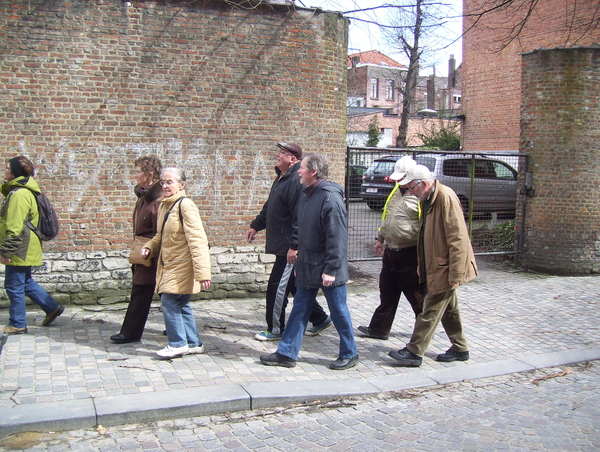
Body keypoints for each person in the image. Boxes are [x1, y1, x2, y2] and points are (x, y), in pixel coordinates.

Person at [260, 154, 359, 370]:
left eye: (302, 168)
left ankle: (350, 353)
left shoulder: (330, 198)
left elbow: (337, 238)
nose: (298, 171)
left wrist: (331, 269)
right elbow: (300, 229)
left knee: (338, 311)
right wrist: (298, 260)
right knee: (300, 308)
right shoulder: (306, 195)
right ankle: (286, 353)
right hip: (307, 265)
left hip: (327, 269)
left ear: (313, 172)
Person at [388, 164, 477, 367]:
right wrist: (422, 264)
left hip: (446, 267)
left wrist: (455, 272)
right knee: (449, 309)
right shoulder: (427, 198)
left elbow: (458, 238)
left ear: (424, 184)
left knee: (430, 309)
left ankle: (414, 351)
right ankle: (460, 347)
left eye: (412, 187)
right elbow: (425, 235)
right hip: (436, 264)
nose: (409, 192)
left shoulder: (445, 197)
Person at [246, 142, 331, 342]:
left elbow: (298, 216)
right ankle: (320, 318)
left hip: (288, 248)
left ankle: (275, 329)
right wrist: (255, 225)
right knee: (292, 284)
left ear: (292, 158)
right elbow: (271, 206)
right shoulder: (282, 178)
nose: (277, 155)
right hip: (282, 244)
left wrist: (294, 245)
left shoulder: (294, 180)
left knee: (276, 288)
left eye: (282, 153)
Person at [141, 168, 212, 359]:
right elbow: (161, 235)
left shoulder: (185, 205)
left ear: (182, 185)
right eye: (163, 182)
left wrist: (203, 272)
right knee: (181, 304)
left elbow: (198, 240)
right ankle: (194, 343)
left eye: (169, 182)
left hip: (182, 265)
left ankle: (177, 343)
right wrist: (150, 247)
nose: (165, 186)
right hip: (169, 264)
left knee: (169, 302)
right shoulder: (165, 205)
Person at [358, 156, 426, 341]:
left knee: (417, 297)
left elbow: (426, 228)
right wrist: (380, 238)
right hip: (391, 252)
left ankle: (424, 331)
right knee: (387, 292)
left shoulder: (421, 195)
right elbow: (387, 216)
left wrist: (422, 258)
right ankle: (379, 328)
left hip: (410, 253)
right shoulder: (396, 190)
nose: (399, 181)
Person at [1, 156, 64, 334]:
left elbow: (14, 225)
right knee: (25, 281)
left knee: (13, 285)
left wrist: (6, 250)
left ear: (15, 173)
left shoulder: (19, 194)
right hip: (27, 245)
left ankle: (17, 323)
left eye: (7, 168)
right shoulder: (23, 191)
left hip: (20, 246)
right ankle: (51, 308)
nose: (4, 170)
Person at [110, 155, 163, 344]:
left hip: (153, 253)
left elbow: (162, 231)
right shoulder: (144, 195)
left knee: (161, 292)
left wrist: (151, 249)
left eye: (138, 171)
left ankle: (130, 332)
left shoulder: (157, 199)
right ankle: (133, 331)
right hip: (143, 250)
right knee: (151, 291)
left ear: (150, 174)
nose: (134, 175)